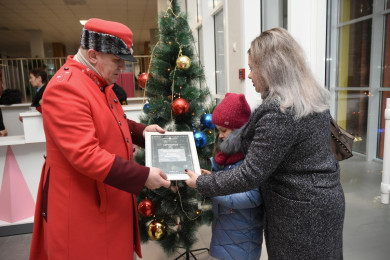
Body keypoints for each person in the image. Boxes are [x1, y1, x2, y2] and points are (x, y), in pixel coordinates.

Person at [185, 28, 345, 259]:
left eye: (252, 68)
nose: (249, 75)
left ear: (270, 67)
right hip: (324, 202)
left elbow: (250, 174)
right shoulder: (311, 97)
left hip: (300, 214)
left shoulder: (280, 111)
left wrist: (203, 183)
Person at [29, 18, 171, 260]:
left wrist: (141, 131)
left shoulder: (96, 81)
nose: (122, 68)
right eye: (117, 60)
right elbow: (85, 154)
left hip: (105, 196)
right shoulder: (67, 88)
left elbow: (110, 121)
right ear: (93, 55)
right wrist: (143, 176)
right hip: (83, 207)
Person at [202, 93, 263, 260]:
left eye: (224, 130)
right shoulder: (227, 155)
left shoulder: (249, 157)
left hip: (243, 234)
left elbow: (251, 197)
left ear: (239, 130)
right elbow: (226, 181)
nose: (220, 135)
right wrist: (211, 178)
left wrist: (210, 187)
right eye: (218, 130)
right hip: (228, 229)